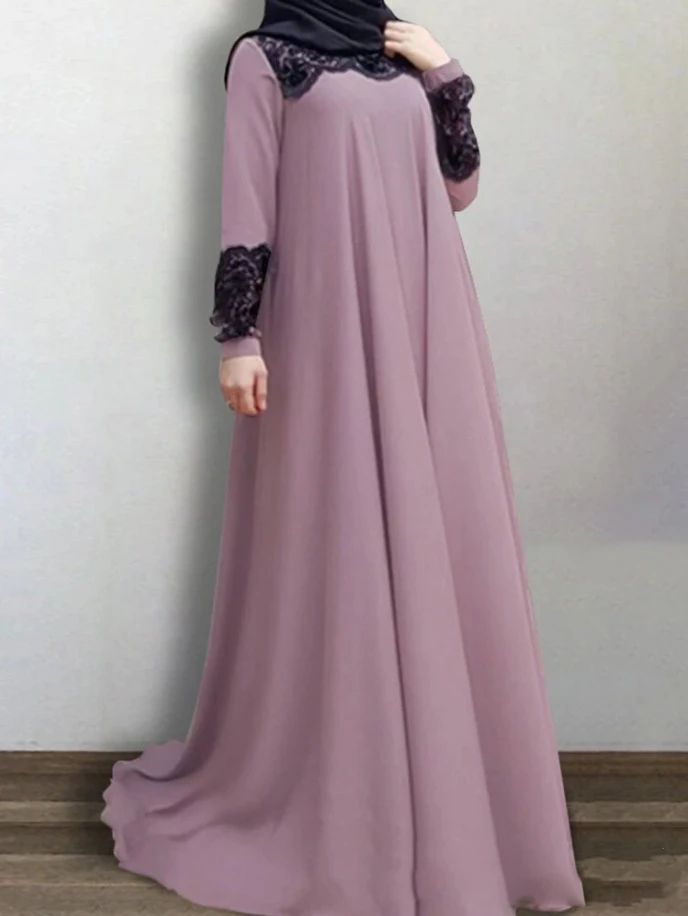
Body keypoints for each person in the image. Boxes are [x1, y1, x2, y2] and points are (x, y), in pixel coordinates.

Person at [102, 1, 586, 914]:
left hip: (424, 319)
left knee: (439, 530)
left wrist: (445, 75)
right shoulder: (266, 58)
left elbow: (459, 189)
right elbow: (247, 198)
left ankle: (450, 801)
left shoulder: (398, 50)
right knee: (343, 539)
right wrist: (238, 338)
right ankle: (347, 805)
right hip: (327, 326)